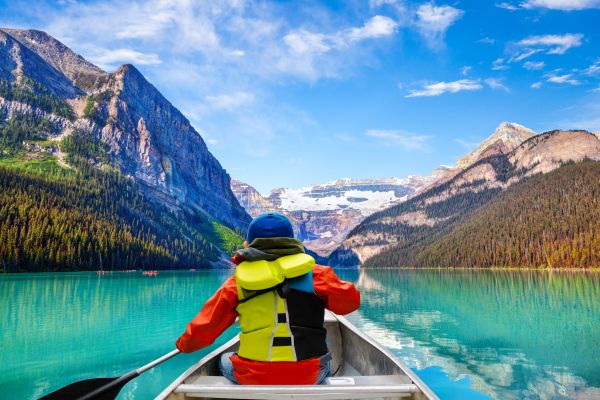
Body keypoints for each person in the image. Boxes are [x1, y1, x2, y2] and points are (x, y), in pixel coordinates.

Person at [175, 212, 360, 385]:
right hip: (309, 375)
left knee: (224, 359)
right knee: (326, 360)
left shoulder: (235, 284)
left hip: (252, 375)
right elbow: (350, 304)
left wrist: (183, 345)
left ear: (248, 245)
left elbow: (202, 332)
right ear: (292, 243)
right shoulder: (317, 275)